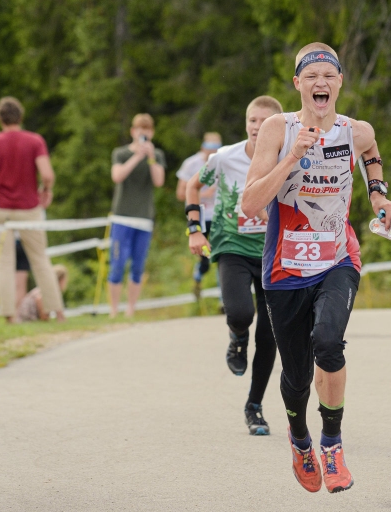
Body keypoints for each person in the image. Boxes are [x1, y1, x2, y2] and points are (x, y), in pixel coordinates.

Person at [242, 42, 391, 494]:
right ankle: (301, 439)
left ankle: (332, 442)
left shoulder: (356, 130)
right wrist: (292, 157)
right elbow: (251, 204)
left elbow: (371, 156)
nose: (321, 83)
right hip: (285, 268)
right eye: (311, 77)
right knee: (295, 376)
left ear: (340, 82)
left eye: (329, 75)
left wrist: (379, 197)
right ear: (298, 85)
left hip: (337, 259)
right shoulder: (278, 128)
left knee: (329, 343)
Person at [186, 96, 282, 436]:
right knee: (240, 312)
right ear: (246, 123)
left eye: (265, 121)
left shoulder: (288, 158)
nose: (257, 127)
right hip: (233, 247)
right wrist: (195, 229)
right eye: (252, 120)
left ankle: (254, 406)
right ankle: (237, 336)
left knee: (270, 336)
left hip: (274, 253)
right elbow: (192, 185)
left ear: (278, 125)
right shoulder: (226, 157)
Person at [0, 96, 65, 322]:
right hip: (29, 207)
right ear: (21, 117)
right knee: (41, 260)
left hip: (0, 207)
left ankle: (9, 315)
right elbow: (47, 174)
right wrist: (46, 191)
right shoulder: (35, 141)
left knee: (3, 262)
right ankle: (57, 311)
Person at [108, 113, 166, 318]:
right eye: (140, 129)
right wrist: (137, 156)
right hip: (122, 217)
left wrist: (149, 157)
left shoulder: (156, 155)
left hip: (144, 219)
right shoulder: (121, 153)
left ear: (152, 132)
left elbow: (159, 181)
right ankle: (113, 310)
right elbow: (117, 176)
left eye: (148, 129)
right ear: (133, 131)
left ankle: (130, 309)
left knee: (138, 266)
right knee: (117, 264)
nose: (144, 133)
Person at [177, 132, 222, 293]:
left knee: (222, 256)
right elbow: (181, 193)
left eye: (217, 148)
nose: (213, 152)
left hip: (219, 216)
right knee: (205, 257)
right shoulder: (191, 164)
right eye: (210, 148)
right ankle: (199, 274)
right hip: (199, 216)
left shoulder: (223, 161)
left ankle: (223, 300)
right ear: (203, 147)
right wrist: (204, 194)